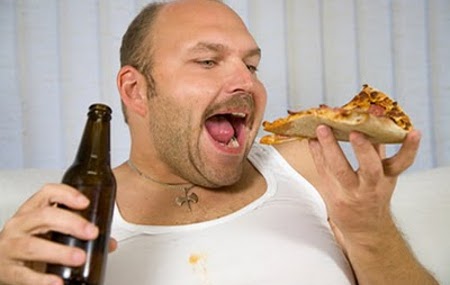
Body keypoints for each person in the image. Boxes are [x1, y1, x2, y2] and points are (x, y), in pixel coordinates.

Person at [0, 0, 439, 284]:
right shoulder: (79, 214)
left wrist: (370, 230)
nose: (244, 82)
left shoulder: (311, 167)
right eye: (208, 61)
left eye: (252, 66)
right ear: (135, 90)